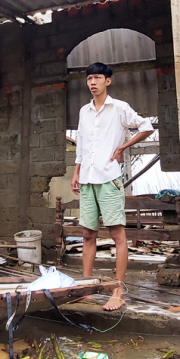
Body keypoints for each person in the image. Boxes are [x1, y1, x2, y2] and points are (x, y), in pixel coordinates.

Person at [71, 62, 154, 311]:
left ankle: (118, 291)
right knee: (88, 234)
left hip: (109, 178)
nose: (92, 82)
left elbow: (146, 127)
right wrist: (76, 172)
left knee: (117, 234)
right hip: (86, 178)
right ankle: (87, 288)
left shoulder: (119, 108)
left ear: (108, 80)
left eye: (97, 78)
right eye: (89, 79)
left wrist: (121, 148)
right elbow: (82, 144)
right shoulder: (84, 111)